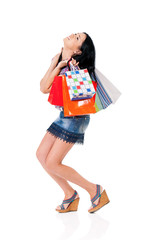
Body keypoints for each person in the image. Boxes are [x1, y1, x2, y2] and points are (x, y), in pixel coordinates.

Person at [36, 32, 110, 213]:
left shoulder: (74, 68)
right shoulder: (61, 61)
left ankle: (95, 190)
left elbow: (49, 89)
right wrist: (57, 62)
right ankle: (70, 195)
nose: (73, 35)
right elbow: (43, 87)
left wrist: (66, 67)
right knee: (41, 155)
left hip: (75, 118)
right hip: (64, 116)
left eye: (77, 39)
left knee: (53, 162)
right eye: (76, 34)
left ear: (78, 51)